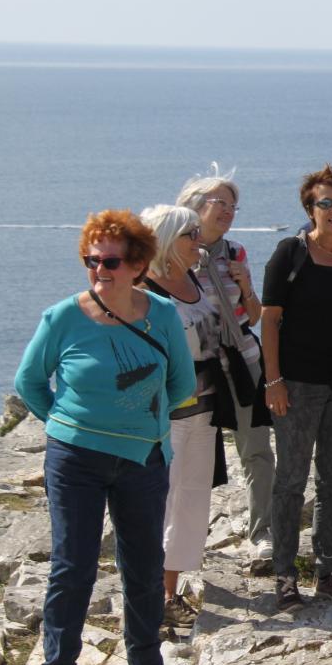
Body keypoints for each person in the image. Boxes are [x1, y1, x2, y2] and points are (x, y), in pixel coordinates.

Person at [14, 210, 192, 665]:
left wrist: (142, 422)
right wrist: (65, 426)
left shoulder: (162, 314)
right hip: (76, 459)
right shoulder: (62, 318)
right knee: (73, 566)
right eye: (91, 261)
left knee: (143, 564)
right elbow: (30, 383)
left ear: (137, 265)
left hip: (144, 457)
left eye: (110, 262)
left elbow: (182, 383)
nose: (99, 270)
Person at [261, 166, 332, 613]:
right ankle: (285, 574)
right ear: (309, 209)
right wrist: (273, 381)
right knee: (291, 481)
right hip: (297, 385)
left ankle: (327, 571)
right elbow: (270, 320)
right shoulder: (290, 254)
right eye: (325, 203)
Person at [176, 171, 275, 562]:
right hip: (197, 368)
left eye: (234, 206)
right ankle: (183, 540)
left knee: (257, 450)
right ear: (194, 205)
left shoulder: (235, 253)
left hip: (242, 360)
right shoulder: (174, 254)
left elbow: (255, 315)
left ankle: (262, 532)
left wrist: (246, 285)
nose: (229, 212)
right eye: (221, 203)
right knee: (191, 454)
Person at [138, 205, 222, 630]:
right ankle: (148, 595)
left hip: (205, 408)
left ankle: (169, 592)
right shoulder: (144, 289)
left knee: (192, 500)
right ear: (167, 240)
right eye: (191, 234)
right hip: (165, 414)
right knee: (160, 501)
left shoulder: (194, 280)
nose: (198, 241)